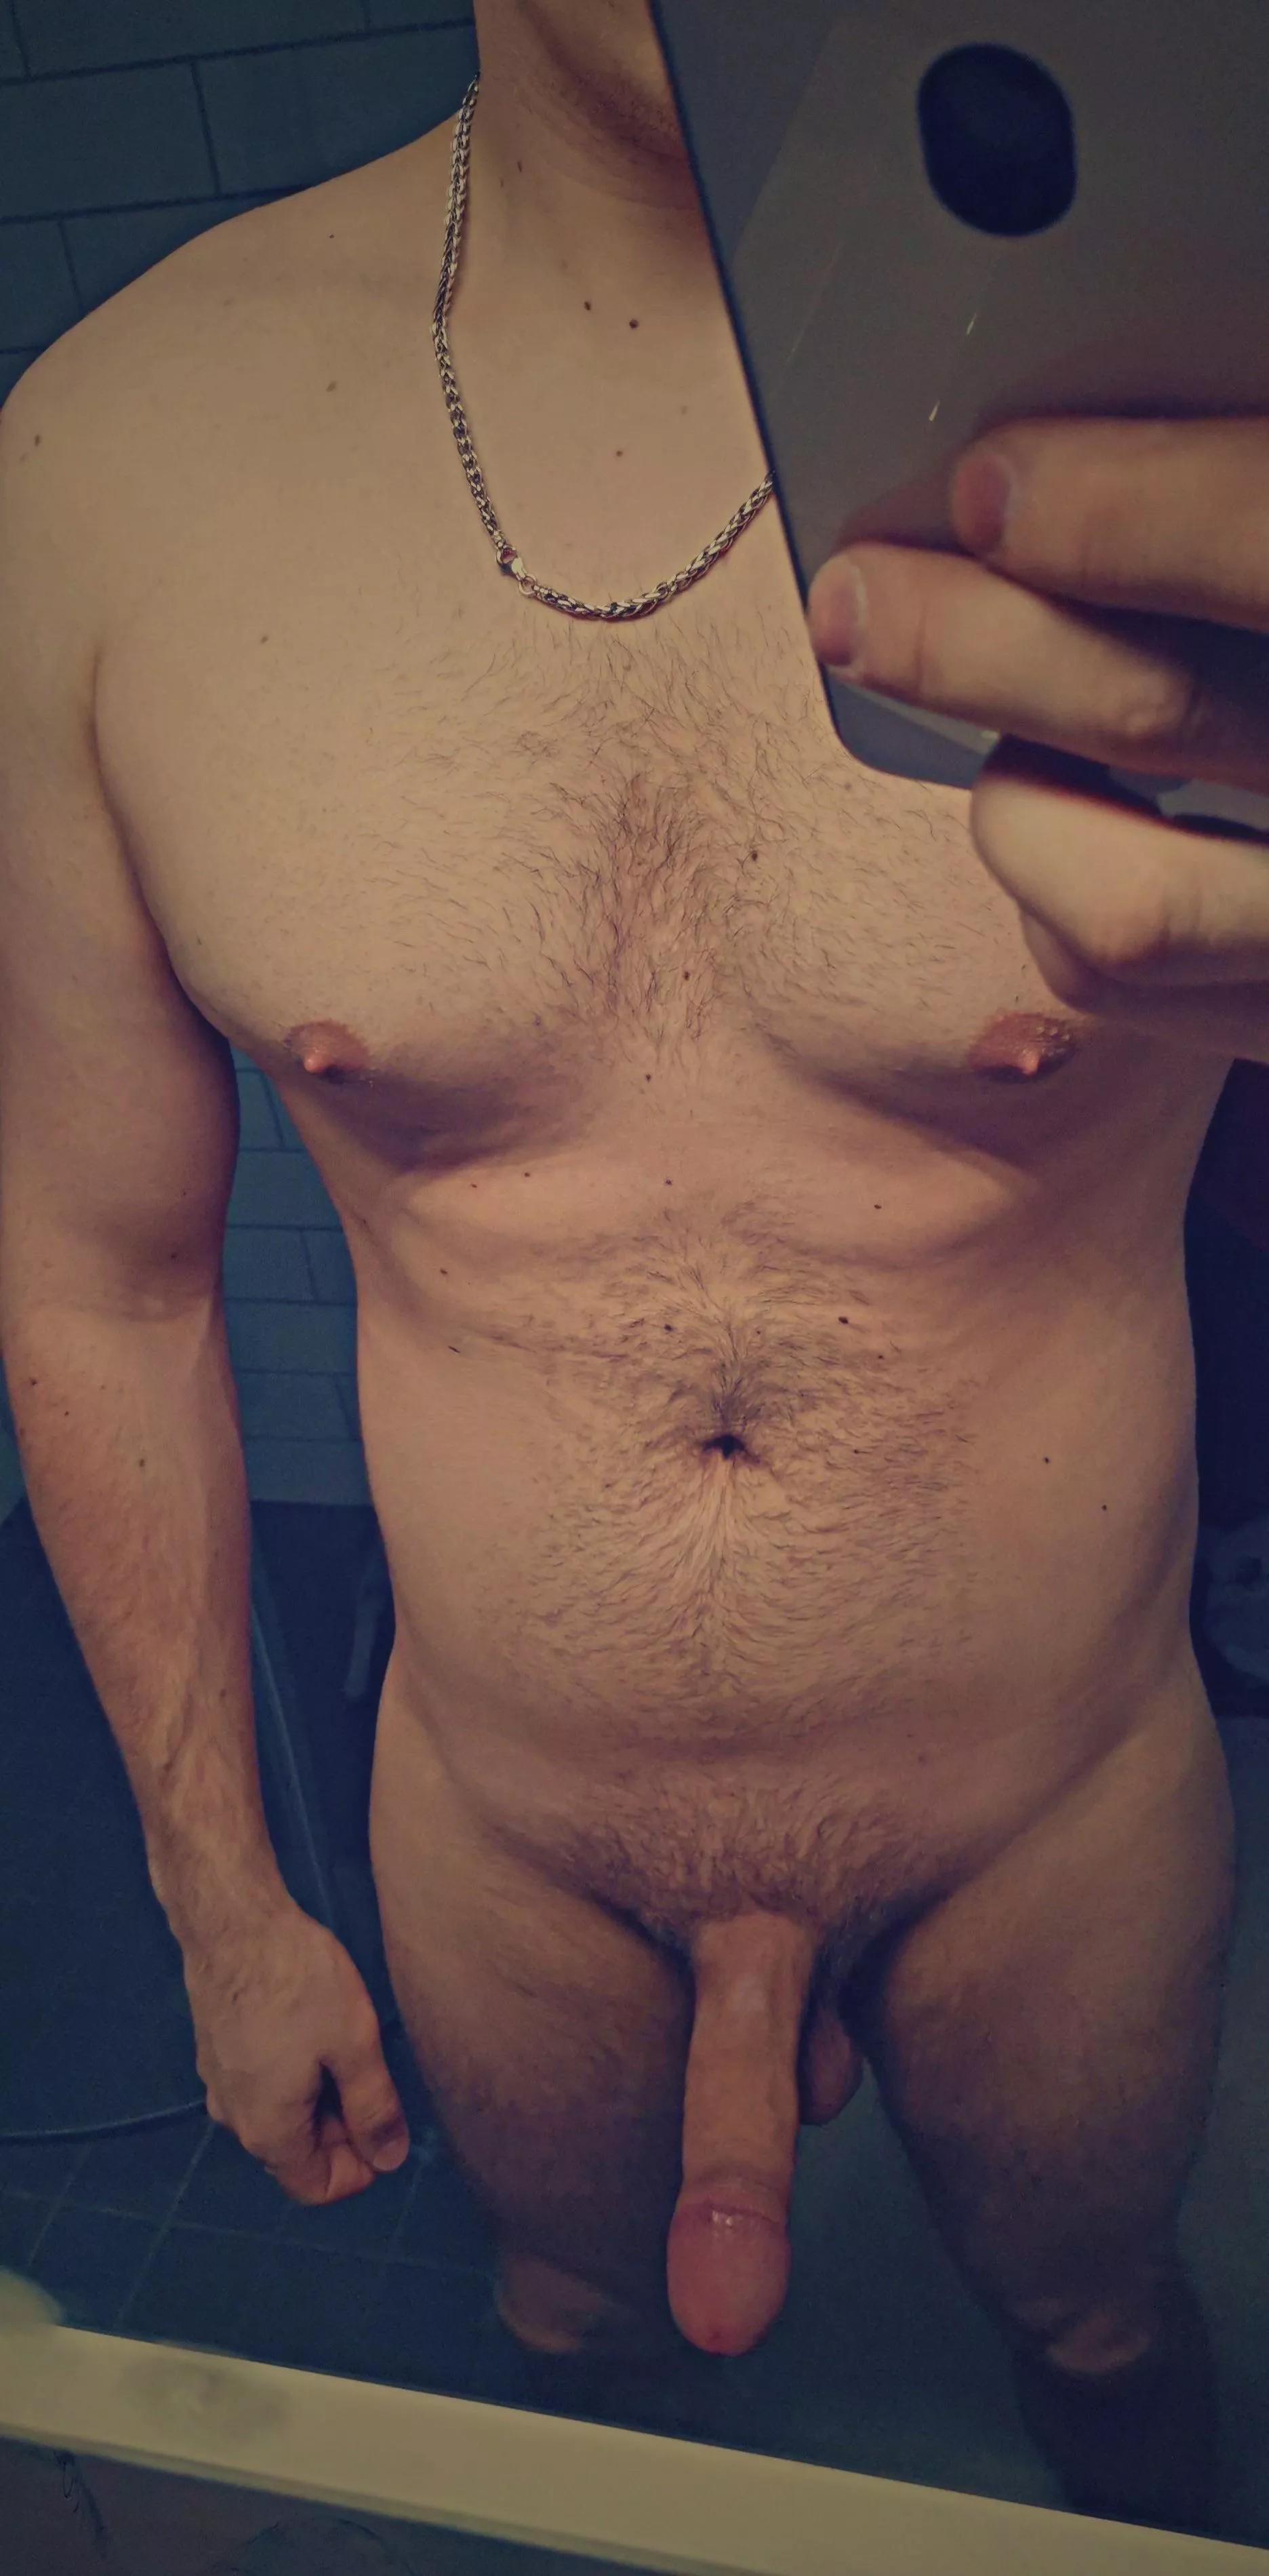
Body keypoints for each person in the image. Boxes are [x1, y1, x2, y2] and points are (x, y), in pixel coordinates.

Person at [2, 0, 1268, 2531]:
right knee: (566, 2344)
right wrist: (220, 1895)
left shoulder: (1220, 397)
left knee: (1108, 2330)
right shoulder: (108, 463)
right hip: (511, 1825)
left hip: (1049, 1794)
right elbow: (96, 1276)